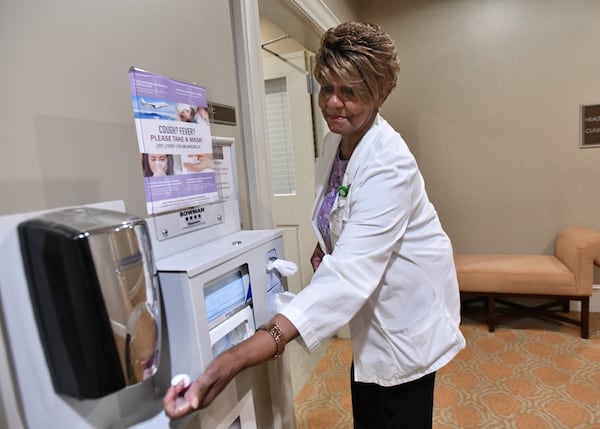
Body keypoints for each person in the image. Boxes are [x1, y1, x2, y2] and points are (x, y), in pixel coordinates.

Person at [163, 22, 466, 428]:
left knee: (397, 409)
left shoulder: (389, 164)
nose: (333, 103)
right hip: (371, 320)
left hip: (404, 319)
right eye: (326, 88)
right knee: (370, 406)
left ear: (379, 94)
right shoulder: (334, 144)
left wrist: (243, 353)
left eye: (350, 92)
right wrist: (329, 242)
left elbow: (350, 275)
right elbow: (344, 214)